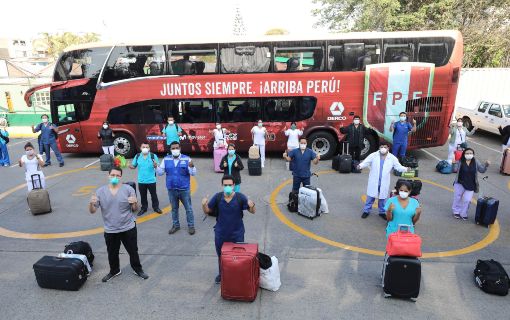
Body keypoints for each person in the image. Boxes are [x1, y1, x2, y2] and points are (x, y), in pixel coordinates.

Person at [89, 167, 149, 282]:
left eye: (117, 175)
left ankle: (137, 269)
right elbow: (92, 211)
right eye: (112, 175)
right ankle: (114, 270)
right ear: (108, 176)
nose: (115, 177)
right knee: (112, 252)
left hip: (128, 227)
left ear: (121, 177)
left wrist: (134, 203)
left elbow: (134, 209)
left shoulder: (128, 189)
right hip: (110, 229)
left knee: (133, 250)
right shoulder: (100, 191)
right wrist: (91, 204)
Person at [201, 175, 256, 284]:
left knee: (238, 256)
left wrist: (252, 205)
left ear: (234, 185)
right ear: (222, 185)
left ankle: (236, 274)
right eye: (225, 185)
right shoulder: (217, 197)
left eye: (230, 185)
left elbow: (252, 211)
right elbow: (207, 211)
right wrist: (204, 205)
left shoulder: (240, 197)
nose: (227, 187)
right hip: (221, 234)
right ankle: (222, 274)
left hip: (237, 234)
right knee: (221, 256)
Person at [358, 142, 409, 219]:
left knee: (382, 197)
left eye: (385, 147)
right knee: (370, 196)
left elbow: (398, 167)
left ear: (388, 148)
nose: (383, 148)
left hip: (384, 181)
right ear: (379, 148)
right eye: (381, 147)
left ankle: (382, 212)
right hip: (374, 180)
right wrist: (360, 166)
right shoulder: (373, 155)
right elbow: (366, 162)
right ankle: (366, 211)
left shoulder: (392, 158)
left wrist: (406, 169)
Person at [157, 141, 196, 235]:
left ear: (180, 148)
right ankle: (176, 225)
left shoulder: (187, 159)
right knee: (174, 209)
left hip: (184, 189)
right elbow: (160, 173)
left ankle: (191, 226)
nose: (175, 150)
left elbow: (193, 173)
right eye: (173, 148)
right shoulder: (166, 159)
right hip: (171, 189)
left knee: (188, 209)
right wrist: (156, 167)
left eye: (176, 148)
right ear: (170, 150)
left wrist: (192, 167)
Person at [452, 148, 489, 220]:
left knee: (467, 200)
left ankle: (463, 213)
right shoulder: (460, 161)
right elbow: (454, 170)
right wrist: (454, 163)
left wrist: (486, 165)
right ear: (464, 154)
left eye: (470, 153)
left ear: (473, 154)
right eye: (467, 153)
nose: (469, 155)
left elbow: (482, 170)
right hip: (460, 183)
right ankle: (456, 211)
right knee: (457, 197)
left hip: (471, 184)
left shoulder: (475, 161)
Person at [129, 142, 162, 216]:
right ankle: (144, 208)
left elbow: (158, 167)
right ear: (140, 148)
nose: (145, 149)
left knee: (153, 195)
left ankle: (156, 207)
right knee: (143, 195)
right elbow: (134, 166)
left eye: (147, 147)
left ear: (149, 148)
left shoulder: (153, 156)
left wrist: (156, 165)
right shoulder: (137, 156)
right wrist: (130, 166)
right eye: (143, 147)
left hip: (151, 180)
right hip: (141, 180)